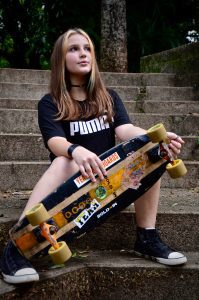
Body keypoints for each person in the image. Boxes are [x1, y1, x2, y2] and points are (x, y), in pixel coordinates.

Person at [0, 28, 187, 284]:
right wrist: (77, 151)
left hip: (110, 178)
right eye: (74, 49)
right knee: (63, 159)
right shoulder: (50, 102)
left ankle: (147, 237)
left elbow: (125, 130)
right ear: (61, 59)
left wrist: (157, 138)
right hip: (74, 184)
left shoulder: (108, 98)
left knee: (150, 149)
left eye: (87, 48)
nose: (83, 54)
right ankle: (18, 246)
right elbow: (54, 142)